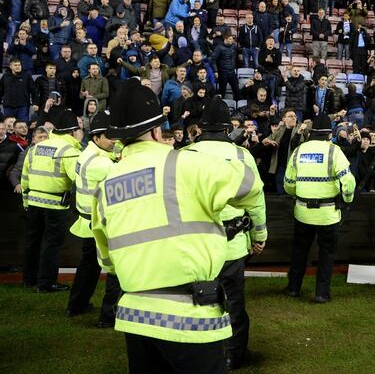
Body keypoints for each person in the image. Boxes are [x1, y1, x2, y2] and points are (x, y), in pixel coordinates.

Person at [90, 80, 266, 373]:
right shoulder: (185, 164)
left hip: (136, 316)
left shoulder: (105, 186)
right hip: (189, 317)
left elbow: (107, 259)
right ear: (158, 130)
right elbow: (250, 185)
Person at [183, 97, 268, 370]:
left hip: (194, 245)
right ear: (227, 127)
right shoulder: (242, 156)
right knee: (233, 303)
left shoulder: (183, 155)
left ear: (201, 127)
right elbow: (256, 202)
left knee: (197, 301)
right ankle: (234, 356)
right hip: (231, 247)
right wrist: (259, 236)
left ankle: (200, 353)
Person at [284, 114, 355, 303]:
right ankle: (321, 293)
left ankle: (293, 289)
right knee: (327, 254)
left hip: (302, 212)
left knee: (299, 251)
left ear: (312, 132)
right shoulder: (335, 151)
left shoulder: (299, 150)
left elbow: (288, 183)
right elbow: (348, 181)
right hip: (328, 214)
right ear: (329, 134)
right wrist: (347, 199)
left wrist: (297, 194)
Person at [65, 110, 122, 327]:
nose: (114, 141)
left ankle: (76, 305)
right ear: (96, 138)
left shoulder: (87, 153)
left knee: (88, 266)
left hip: (88, 222)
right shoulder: (100, 163)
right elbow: (124, 172)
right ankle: (108, 316)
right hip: (102, 224)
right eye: (110, 136)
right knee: (115, 268)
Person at [21, 106, 82, 292]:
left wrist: (25, 200)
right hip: (55, 205)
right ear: (72, 131)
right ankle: (46, 283)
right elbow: (77, 178)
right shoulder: (69, 150)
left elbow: (25, 176)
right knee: (51, 244)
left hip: (32, 202)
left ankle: (29, 279)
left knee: (32, 241)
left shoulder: (35, 148)